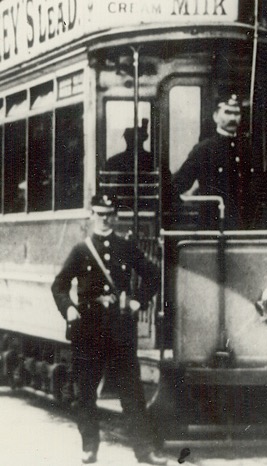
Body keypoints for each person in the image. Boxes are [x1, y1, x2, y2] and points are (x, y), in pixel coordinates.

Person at [51, 194, 167, 465]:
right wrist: (68, 308)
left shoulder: (126, 247)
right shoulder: (81, 250)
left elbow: (152, 274)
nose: (104, 219)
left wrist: (138, 299)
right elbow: (59, 285)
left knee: (132, 394)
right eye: (100, 214)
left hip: (120, 330)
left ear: (115, 216)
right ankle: (89, 447)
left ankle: (144, 451)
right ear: (92, 215)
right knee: (87, 392)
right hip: (88, 330)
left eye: (109, 214)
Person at [171, 93, 256, 229]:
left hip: (243, 227)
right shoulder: (204, 149)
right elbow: (179, 184)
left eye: (236, 113)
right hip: (213, 228)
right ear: (215, 116)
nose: (233, 118)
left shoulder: (247, 148)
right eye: (227, 112)